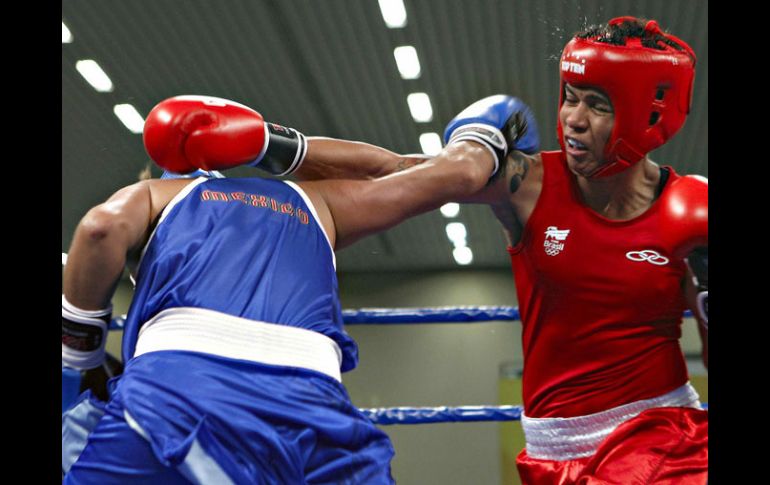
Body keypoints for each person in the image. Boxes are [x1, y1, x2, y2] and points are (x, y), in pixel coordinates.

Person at [145, 16, 708, 484]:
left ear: (650, 114)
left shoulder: (693, 209)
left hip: (661, 437)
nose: (574, 121)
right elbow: (395, 170)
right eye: (570, 99)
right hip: (551, 448)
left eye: (598, 106)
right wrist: (267, 145)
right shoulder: (532, 184)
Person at [61, 117, 499, 481]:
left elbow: (101, 228)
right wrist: (269, 142)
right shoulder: (315, 200)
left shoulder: (156, 196)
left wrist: (81, 349)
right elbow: (441, 173)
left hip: (175, 394)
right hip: (315, 413)